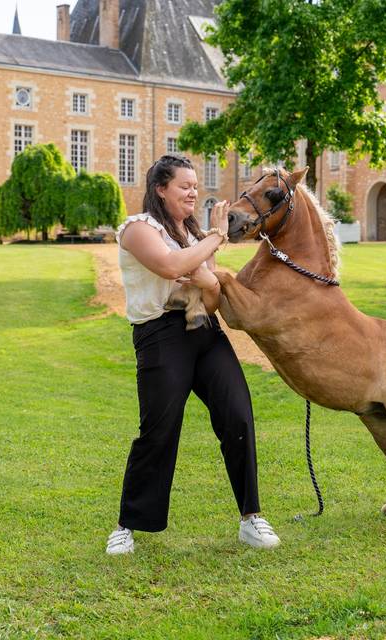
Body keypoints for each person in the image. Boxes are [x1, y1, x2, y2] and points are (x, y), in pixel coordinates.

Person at [106, 154, 279, 555]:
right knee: (159, 431)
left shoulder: (194, 236)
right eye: (184, 185)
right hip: (160, 336)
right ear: (160, 189)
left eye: (195, 185)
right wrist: (215, 240)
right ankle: (127, 525)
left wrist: (206, 277)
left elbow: (212, 298)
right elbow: (169, 267)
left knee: (237, 415)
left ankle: (251, 518)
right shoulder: (137, 228)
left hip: (203, 331)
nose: (193, 192)